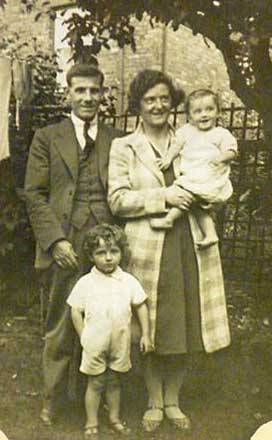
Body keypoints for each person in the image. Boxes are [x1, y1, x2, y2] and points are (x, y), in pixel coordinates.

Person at [108, 69, 231, 432]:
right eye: (150, 100)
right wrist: (163, 196)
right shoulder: (124, 147)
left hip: (188, 242)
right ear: (138, 105)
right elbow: (117, 200)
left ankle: (173, 399)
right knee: (149, 323)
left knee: (185, 323)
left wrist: (207, 196)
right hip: (147, 244)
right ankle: (153, 400)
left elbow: (217, 178)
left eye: (164, 98)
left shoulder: (193, 137)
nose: (158, 105)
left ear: (173, 103)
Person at [24, 63, 123, 426]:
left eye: (94, 91)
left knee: (106, 323)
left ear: (102, 94)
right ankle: (53, 400)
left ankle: (91, 400)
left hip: (105, 247)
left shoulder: (118, 138)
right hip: (64, 242)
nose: (87, 97)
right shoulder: (48, 137)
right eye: (80, 90)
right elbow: (34, 195)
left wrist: (116, 244)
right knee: (61, 323)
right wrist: (55, 241)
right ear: (68, 94)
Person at [67, 224, 152, 438]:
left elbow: (141, 305)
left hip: (120, 341)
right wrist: (83, 335)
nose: (108, 258)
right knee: (95, 382)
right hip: (94, 341)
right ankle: (91, 422)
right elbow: (75, 310)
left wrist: (146, 334)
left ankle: (114, 418)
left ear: (121, 252)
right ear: (91, 255)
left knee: (114, 381)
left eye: (113, 251)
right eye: (101, 253)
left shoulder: (128, 281)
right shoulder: (86, 282)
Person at [152, 89, 238, 248]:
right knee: (198, 206)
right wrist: (168, 158)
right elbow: (176, 146)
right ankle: (211, 234)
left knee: (185, 193)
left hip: (210, 175)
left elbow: (232, 150)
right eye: (197, 111)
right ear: (190, 117)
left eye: (209, 109)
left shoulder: (221, 134)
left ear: (218, 112)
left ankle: (169, 219)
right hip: (194, 174)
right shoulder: (186, 131)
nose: (204, 114)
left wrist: (221, 157)